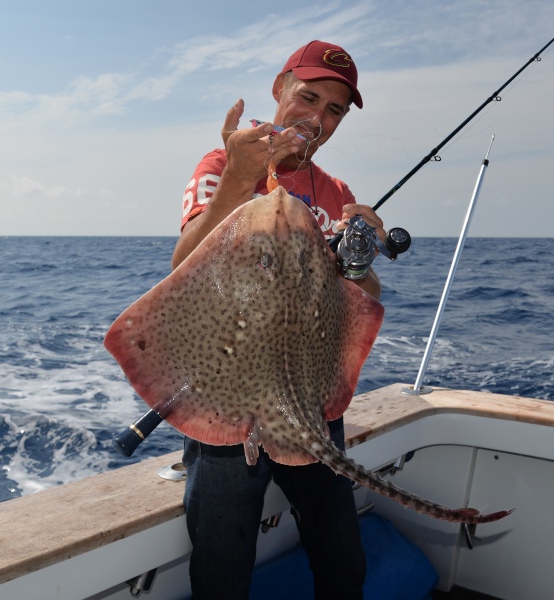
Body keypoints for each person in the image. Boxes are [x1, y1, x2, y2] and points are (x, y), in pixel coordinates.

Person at [171, 41, 384, 600]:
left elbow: (364, 297)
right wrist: (243, 177)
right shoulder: (224, 164)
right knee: (222, 570)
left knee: (342, 558)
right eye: (308, 97)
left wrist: (357, 258)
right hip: (231, 400)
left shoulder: (335, 194)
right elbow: (184, 264)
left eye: (335, 110)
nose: (317, 118)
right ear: (279, 88)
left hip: (307, 395)